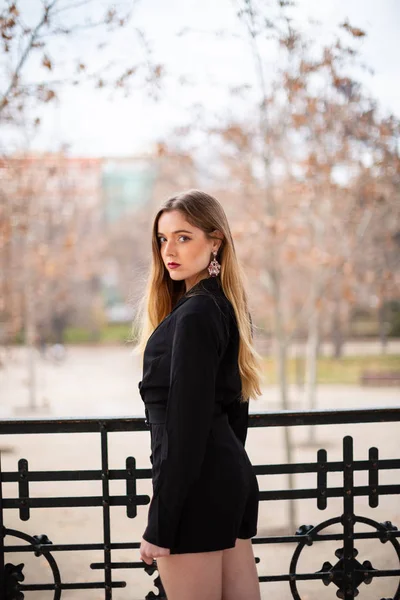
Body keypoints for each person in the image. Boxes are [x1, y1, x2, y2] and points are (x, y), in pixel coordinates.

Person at [134, 189, 263, 600]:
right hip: (226, 481)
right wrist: (230, 480)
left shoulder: (195, 315)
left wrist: (161, 522)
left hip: (197, 490)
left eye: (183, 237)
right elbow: (233, 414)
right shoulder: (222, 306)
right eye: (162, 238)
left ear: (215, 242)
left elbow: (184, 427)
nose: (169, 249)